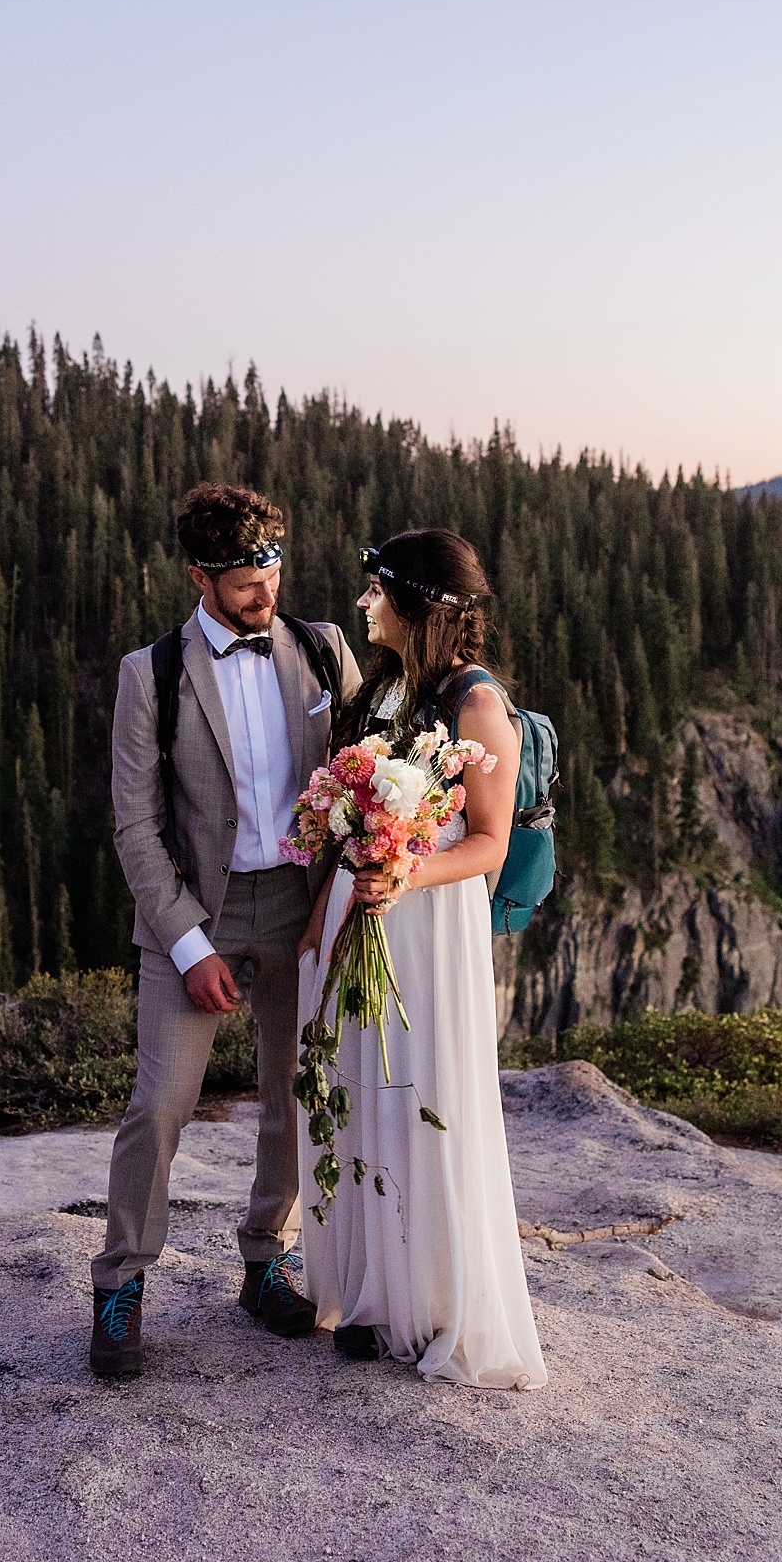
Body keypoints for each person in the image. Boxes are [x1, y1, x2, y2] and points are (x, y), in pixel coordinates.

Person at [93, 482, 361, 1380]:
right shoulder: (152, 672)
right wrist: (187, 943)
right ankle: (122, 1280)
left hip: (300, 902)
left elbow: (369, 766)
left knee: (292, 1094)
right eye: (247, 578)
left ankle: (265, 1256)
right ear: (200, 574)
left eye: (273, 570)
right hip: (195, 914)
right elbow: (133, 824)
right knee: (161, 1102)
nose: (265, 593)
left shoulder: (324, 653)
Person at [295, 528, 547, 1390]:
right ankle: (371, 1293)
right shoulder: (396, 688)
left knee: (424, 1097)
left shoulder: (479, 706)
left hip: (431, 929)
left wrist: (405, 870)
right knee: (365, 1094)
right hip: (367, 915)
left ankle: (430, 1300)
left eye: (377, 591)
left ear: (418, 604)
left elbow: (486, 842)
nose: (364, 603)